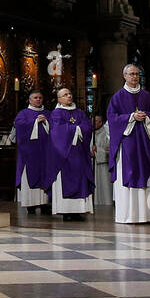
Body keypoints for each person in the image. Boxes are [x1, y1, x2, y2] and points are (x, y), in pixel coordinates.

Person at [106, 63, 150, 224]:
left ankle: (148, 215)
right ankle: (128, 215)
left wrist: (146, 116)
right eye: (131, 74)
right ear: (124, 76)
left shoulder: (146, 96)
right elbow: (112, 118)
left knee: (146, 173)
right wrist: (130, 117)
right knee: (129, 173)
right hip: (128, 143)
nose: (135, 77)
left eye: (137, 74)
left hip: (144, 144)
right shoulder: (118, 96)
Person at [48, 88, 94, 221]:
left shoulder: (79, 112)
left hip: (79, 153)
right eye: (65, 95)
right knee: (65, 181)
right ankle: (66, 211)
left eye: (70, 94)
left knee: (81, 180)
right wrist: (77, 128)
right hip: (64, 155)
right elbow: (57, 132)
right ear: (59, 99)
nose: (69, 96)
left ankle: (79, 211)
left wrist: (79, 128)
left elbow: (88, 127)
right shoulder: (56, 113)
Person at [13, 91, 51, 215]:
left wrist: (46, 122)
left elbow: (56, 130)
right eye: (35, 98)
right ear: (30, 100)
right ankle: (30, 205)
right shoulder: (23, 113)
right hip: (28, 153)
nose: (38, 100)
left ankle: (45, 203)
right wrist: (34, 122)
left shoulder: (48, 113)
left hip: (45, 153)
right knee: (29, 175)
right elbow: (19, 126)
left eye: (40, 98)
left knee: (46, 175)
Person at [91, 113, 113, 208]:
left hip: (103, 166)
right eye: (93, 121)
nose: (94, 123)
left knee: (105, 187)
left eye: (96, 121)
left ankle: (107, 203)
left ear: (101, 122)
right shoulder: (90, 133)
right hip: (92, 164)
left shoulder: (107, 133)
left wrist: (97, 151)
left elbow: (110, 150)